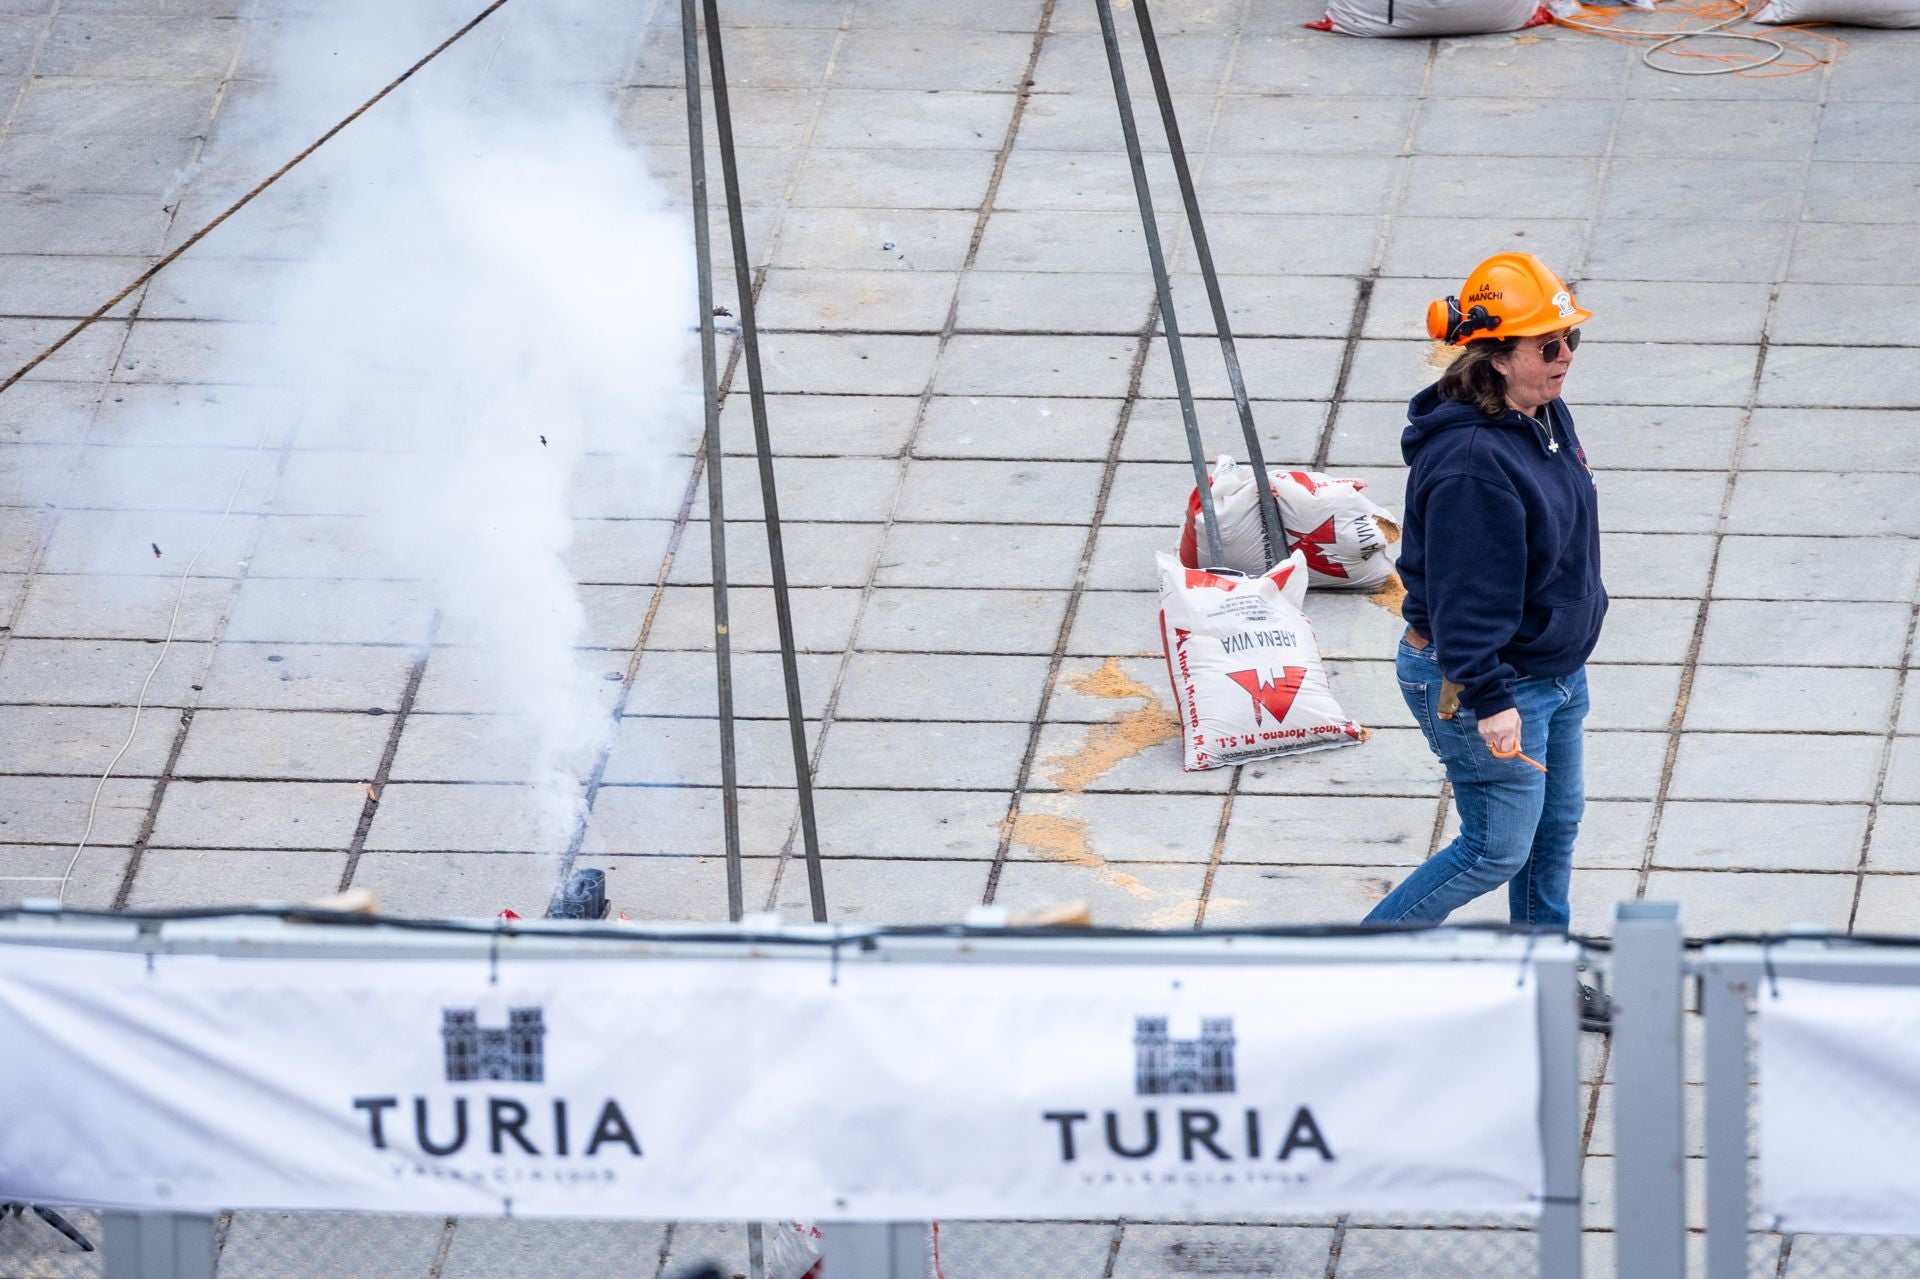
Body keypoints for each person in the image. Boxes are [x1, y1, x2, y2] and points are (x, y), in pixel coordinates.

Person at [1363, 252, 1611, 1032]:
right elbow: (1470, 600)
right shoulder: (1473, 465)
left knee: (1553, 826)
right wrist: (1492, 699)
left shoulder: (1539, 414)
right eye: (1548, 345)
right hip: (1482, 679)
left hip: (1551, 670)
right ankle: (1348, 966)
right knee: (1496, 845)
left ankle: (1548, 970)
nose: (1565, 355)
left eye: (1569, 338)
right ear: (1495, 355)